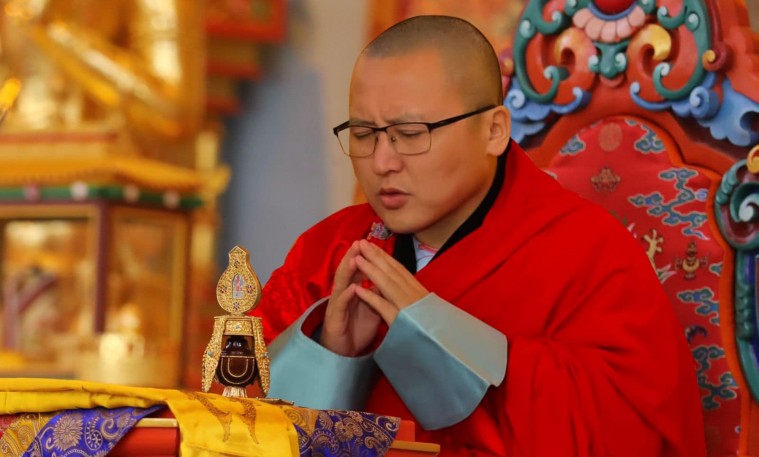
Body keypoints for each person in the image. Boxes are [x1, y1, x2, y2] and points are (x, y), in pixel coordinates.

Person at [253, 15, 706, 457]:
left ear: (493, 131)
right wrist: (327, 353)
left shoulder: (588, 253)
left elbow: (632, 431)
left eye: (410, 133)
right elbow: (235, 415)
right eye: (364, 134)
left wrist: (449, 345)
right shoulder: (331, 250)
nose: (382, 162)